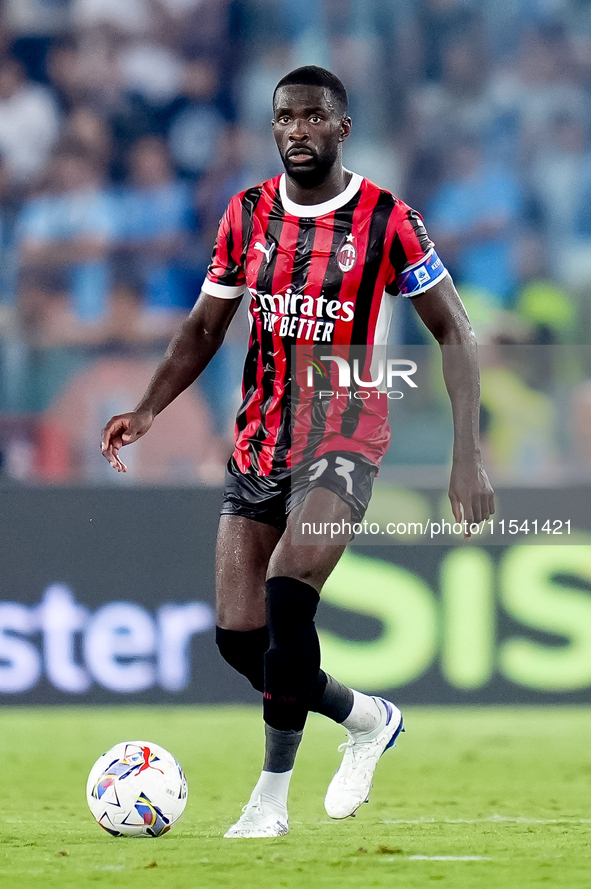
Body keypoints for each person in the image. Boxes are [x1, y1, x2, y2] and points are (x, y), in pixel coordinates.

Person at [101, 66, 495, 838]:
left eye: (313, 117)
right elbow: (204, 328)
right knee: (240, 639)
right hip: (258, 438)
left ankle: (269, 800)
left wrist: (465, 455)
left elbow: (452, 330)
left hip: (344, 434)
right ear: (273, 125)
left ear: (341, 128)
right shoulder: (246, 214)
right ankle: (367, 717)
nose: (297, 130)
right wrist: (149, 406)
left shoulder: (387, 219)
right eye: (285, 117)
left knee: (288, 590)